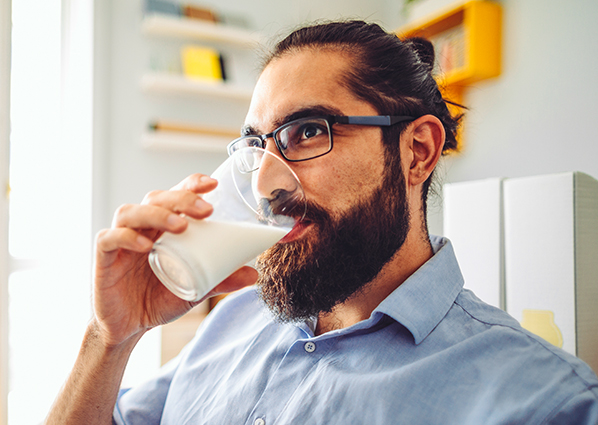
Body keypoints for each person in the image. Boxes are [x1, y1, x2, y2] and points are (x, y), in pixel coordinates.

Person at [45, 20, 598, 424]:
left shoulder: (546, 402)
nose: (265, 183)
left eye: (307, 131)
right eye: (256, 147)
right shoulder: (232, 321)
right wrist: (110, 339)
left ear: (417, 152)